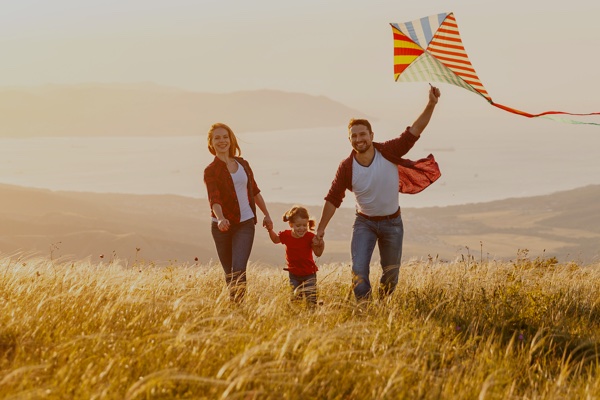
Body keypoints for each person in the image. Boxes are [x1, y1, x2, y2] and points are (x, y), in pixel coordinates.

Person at [315, 86, 442, 302]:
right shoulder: (347, 167)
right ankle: (365, 310)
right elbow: (333, 198)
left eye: (362, 134)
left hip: (393, 223)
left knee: (391, 274)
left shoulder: (388, 151)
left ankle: (383, 306)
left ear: (371, 135)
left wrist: (431, 104)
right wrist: (320, 231)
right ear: (350, 140)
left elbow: (414, 132)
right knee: (359, 272)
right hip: (364, 223)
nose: (358, 139)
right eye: (353, 136)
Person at [203, 122, 273, 302]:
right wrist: (220, 219)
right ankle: (235, 309)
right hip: (221, 227)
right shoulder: (210, 171)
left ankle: (237, 307)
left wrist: (266, 214)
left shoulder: (243, 164)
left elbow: (255, 191)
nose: (222, 141)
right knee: (229, 274)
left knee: (239, 269)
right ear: (211, 143)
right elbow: (214, 198)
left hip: (245, 224)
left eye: (225, 137)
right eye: (217, 138)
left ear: (231, 139)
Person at [267, 206, 324, 306]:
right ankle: (296, 317)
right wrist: (270, 230)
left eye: (304, 225)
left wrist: (321, 242)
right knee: (295, 299)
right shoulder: (286, 235)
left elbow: (318, 253)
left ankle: (312, 317)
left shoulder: (310, 237)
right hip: (294, 274)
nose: (301, 228)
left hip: (309, 274)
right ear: (291, 224)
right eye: (298, 226)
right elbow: (276, 239)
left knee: (311, 299)